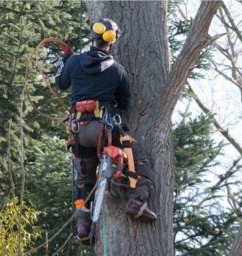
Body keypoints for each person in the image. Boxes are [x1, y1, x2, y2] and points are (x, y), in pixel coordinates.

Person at [55, 18, 157, 244]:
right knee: (138, 158)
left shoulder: (74, 61)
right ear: (110, 44)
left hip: (80, 130)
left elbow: (61, 83)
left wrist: (65, 59)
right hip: (106, 129)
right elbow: (124, 102)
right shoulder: (117, 70)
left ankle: (83, 224)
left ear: (91, 38)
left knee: (84, 176)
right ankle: (137, 201)